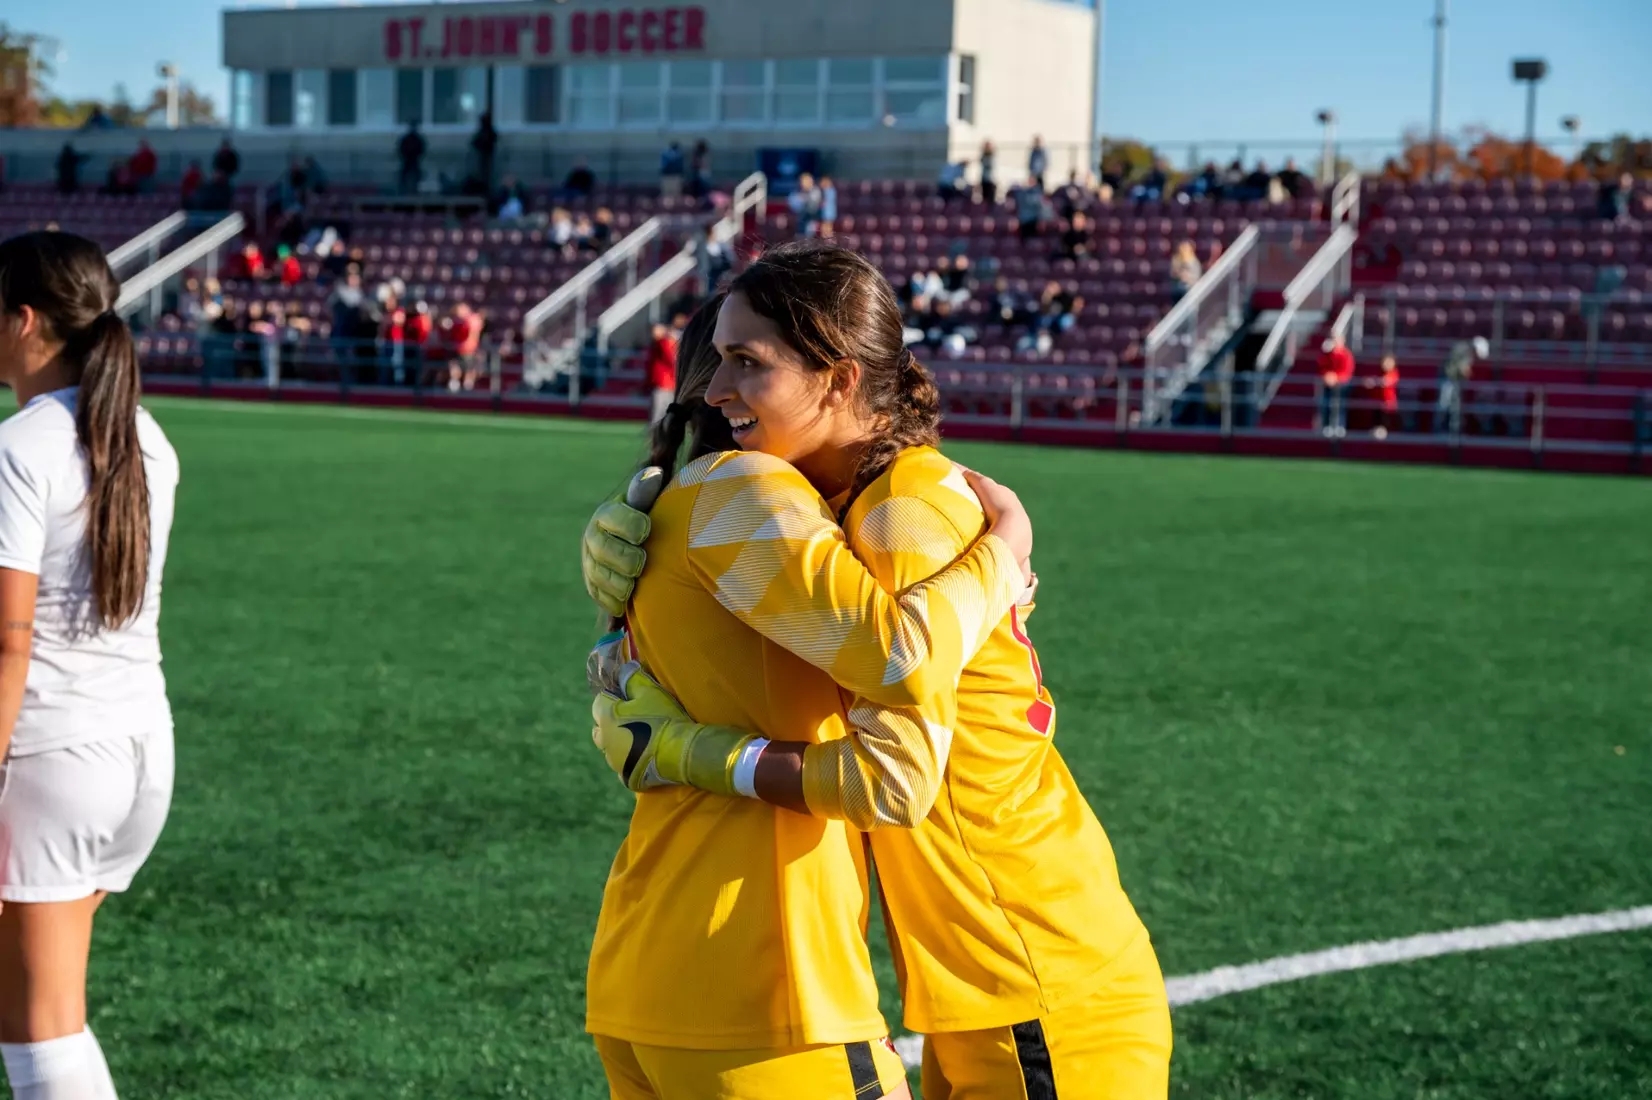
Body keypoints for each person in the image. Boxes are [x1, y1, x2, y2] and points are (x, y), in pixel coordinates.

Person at [583, 241, 1170, 1100]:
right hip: (984, 986)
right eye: (719, 362)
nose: (719, 389)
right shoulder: (833, 514)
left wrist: (1010, 551)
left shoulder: (900, 509)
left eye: (749, 363)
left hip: (1038, 970)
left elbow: (899, 739)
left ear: (841, 376)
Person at [0, 231, 181, 1100]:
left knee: (41, 1036)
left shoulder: (22, 445)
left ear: (24, 321)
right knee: (41, 1015)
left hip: (50, 764)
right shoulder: (148, 436)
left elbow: (10, 641)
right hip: (140, 752)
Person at [1436, 336, 1486, 435]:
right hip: (1448, 380)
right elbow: (1463, 369)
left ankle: (1451, 430)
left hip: (1453, 380)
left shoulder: (1464, 349)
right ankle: (1441, 429)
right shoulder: (1465, 350)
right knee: (1444, 404)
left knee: (1452, 405)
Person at [1317, 333, 1355, 438]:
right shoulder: (1327, 354)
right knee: (1326, 404)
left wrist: (1336, 377)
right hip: (1329, 384)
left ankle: (1339, 426)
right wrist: (1327, 376)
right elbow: (1322, 366)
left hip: (1341, 385)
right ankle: (1327, 426)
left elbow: (1347, 372)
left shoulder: (1346, 355)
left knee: (1339, 406)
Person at [644, 321, 678, 424]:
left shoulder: (664, 342)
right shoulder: (661, 343)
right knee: (662, 414)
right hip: (665, 383)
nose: (653, 333)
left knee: (658, 414)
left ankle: (656, 437)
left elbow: (672, 360)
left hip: (664, 384)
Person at [1368, 355, 1401, 439]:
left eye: (1388, 362)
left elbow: (1385, 381)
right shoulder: (1380, 373)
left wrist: (1375, 381)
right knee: (1376, 417)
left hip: (1388, 402)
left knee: (1386, 419)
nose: (1385, 364)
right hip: (1378, 401)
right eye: (1384, 362)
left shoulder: (1394, 373)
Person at [470, 111, 499, 196]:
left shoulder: (490, 132)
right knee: (481, 175)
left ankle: (487, 191)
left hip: (490, 159)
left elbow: (494, 139)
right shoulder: (481, 132)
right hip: (480, 158)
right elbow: (474, 142)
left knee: (488, 176)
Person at [397, 121, 426, 194]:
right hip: (409, 159)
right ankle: (405, 189)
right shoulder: (410, 139)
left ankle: (413, 189)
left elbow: (421, 149)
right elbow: (401, 148)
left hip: (413, 159)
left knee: (413, 174)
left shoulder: (414, 139)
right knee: (407, 174)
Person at [978, 139, 998, 204]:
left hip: (991, 179)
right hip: (984, 179)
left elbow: (990, 165)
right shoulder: (984, 156)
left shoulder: (992, 156)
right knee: (985, 197)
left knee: (991, 197)